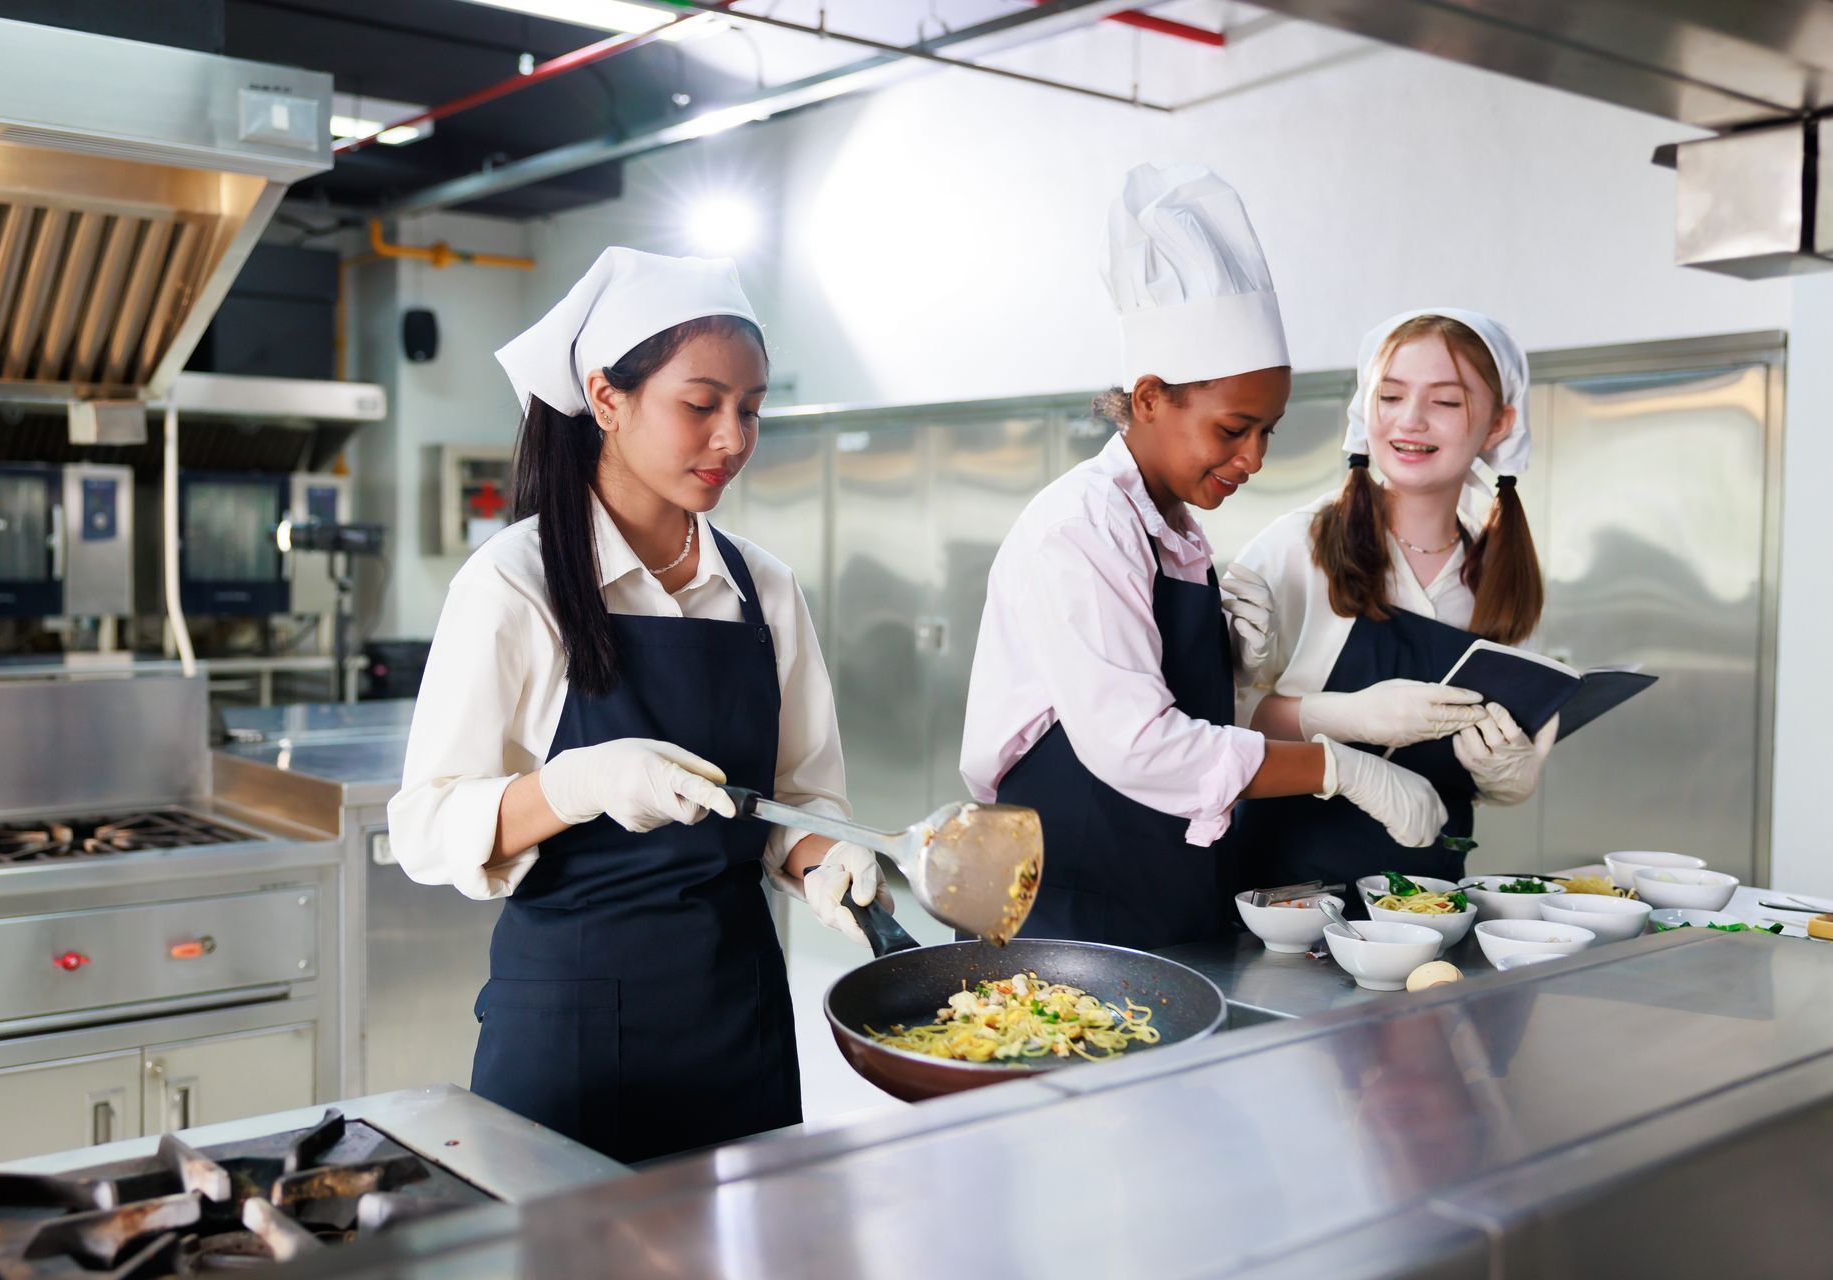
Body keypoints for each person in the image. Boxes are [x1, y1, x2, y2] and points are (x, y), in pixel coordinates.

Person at [389, 247, 888, 1164]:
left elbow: (796, 799)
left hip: (739, 1022)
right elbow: (424, 826)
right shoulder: (515, 581)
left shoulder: (763, 589)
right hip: (571, 1035)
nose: (732, 438)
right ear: (607, 399)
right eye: (700, 406)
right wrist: (574, 787)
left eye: (751, 409)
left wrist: (825, 857)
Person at [959, 163, 1448, 951]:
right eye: (1233, 429)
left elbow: (1174, 710)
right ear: (1149, 398)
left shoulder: (1175, 531)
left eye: (1269, 432)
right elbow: (1139, 746)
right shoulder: (1080, 527)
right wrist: (1340, 767)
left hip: (1162, 878)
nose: (1253, 457)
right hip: (1068, 892)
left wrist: (1236, 676)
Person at [1222, 308, 1553, 889]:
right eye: (1391, 396)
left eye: (1446, 403)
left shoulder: (1499, 576)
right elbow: (1209, 722)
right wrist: (1347, 716)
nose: (1411, 421)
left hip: (1427, 902)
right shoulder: (1295, 548)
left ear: (1498, 425)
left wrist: (1509, 775)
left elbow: (1512, 751)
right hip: (1272, 899)